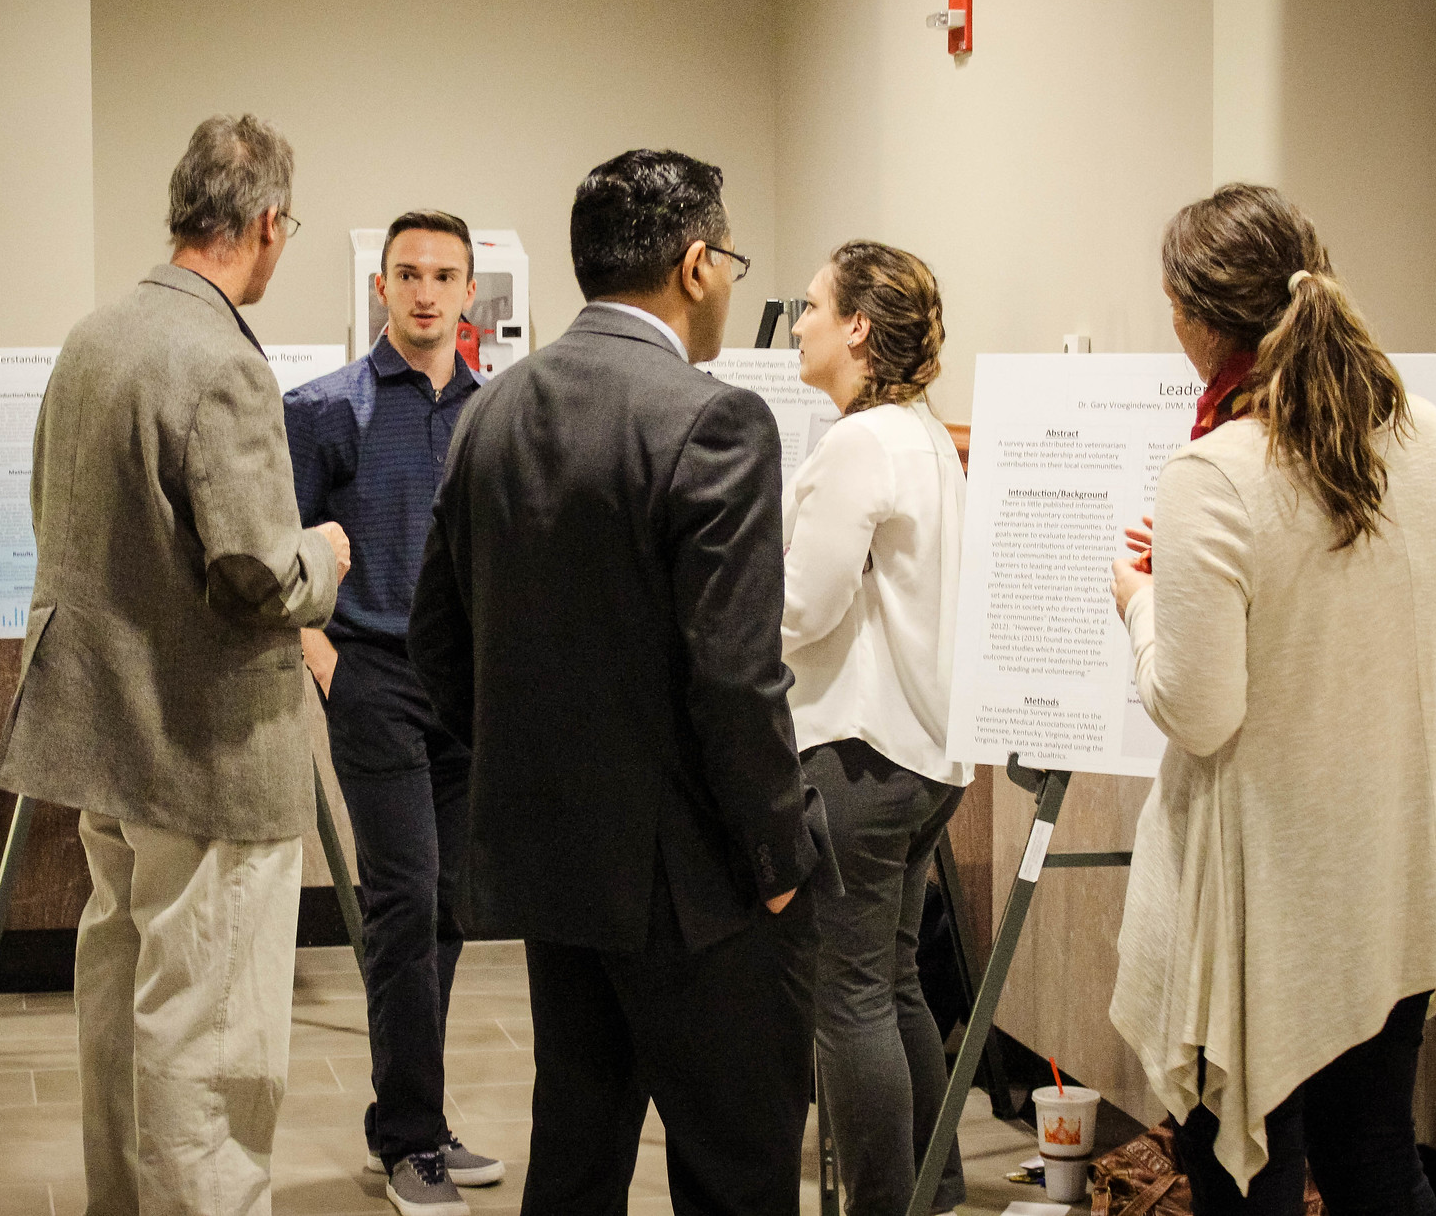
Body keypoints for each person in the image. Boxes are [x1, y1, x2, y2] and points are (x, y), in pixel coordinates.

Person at [409, 148, 828, 1216]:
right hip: (699, 886)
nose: (730, 280)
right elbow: (734, 678)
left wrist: (536, 775)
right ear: (695, 265)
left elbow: (438, 650)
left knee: (577, 1158)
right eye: (729, 258)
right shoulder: (713, 418)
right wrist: (779, 859)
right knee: (735, 1175)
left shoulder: (488, 415)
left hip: (555, 868)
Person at [1106, 183, 1436, 1215]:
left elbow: (1197, 712)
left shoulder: (1215, 471)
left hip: (1265, 894)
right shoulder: (1430, 441)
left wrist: (1140, 603)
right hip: (1389, 874)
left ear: (1195, 318)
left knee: (1246, 1176)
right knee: (1373, 1154)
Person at [0, 114, 350, 1216]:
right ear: (266, 223)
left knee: (121, 999)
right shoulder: (220, 360)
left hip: (105, 739)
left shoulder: (95, 336)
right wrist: (325, 560)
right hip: (206, 751)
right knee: (212, 1034)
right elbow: (256, 573)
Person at [284, 209, 503, 1216]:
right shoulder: (324, 409)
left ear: (469, 292)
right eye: (407, 273)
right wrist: (320, 659)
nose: (424, 291)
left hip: (466, 688)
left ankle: (416, 1120)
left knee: (449, 906)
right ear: (380, 287)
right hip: (369, 675)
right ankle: (406, 1137)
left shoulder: (494, 414)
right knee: (403, 901)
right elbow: (277, 551)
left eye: (443, 276)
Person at [783, 241, 967, 1216]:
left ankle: (884, 1209)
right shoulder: (923, 435)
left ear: (857, 325)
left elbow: (800, 607)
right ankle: (931, 1190)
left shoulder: (857, 444)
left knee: (846, 998)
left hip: (859, 758)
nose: (800, 321)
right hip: (926, 757)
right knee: (891, 984)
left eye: (812, 304)